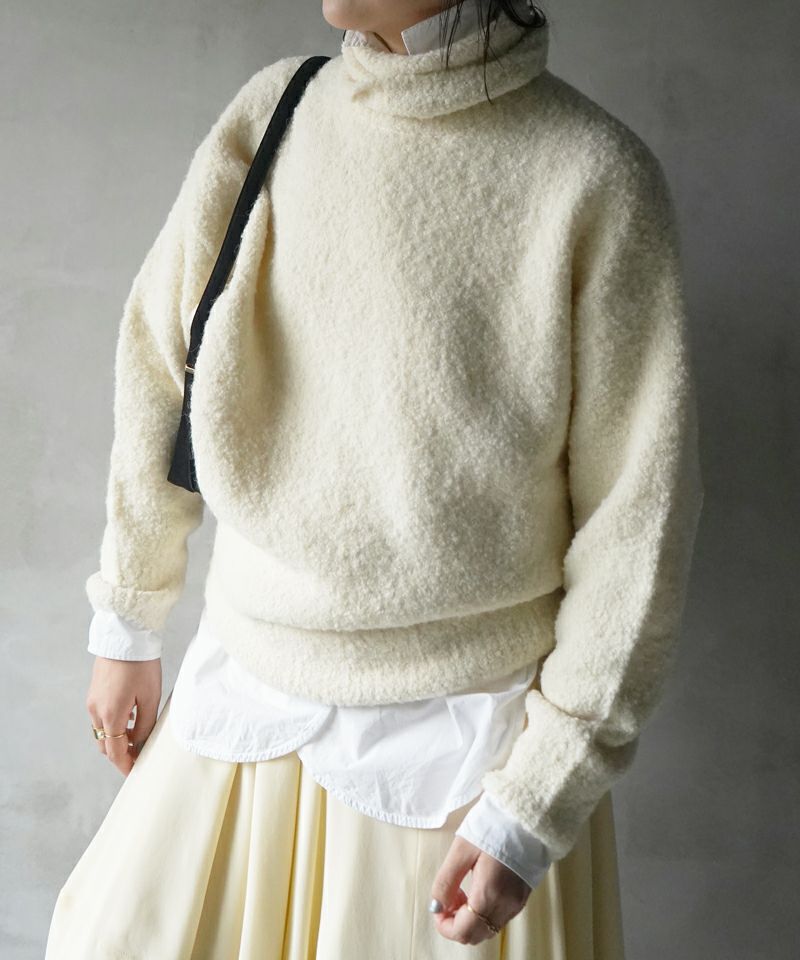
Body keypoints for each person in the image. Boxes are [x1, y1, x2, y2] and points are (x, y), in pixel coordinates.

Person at [45, 0, 704, 955]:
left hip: (465, 751)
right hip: (243, 696)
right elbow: (160, 362)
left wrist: (537, 798)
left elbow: (637, 525)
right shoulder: (275, 112)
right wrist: (128, 623)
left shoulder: (594, 176)